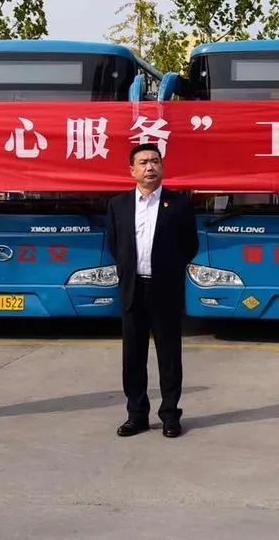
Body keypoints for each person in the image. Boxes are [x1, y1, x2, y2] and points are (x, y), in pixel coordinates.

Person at [107, 143, 198, 439]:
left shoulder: (179, 204)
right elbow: (115, 245)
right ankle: (137, 415)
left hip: (165, 290)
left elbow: (190, 245)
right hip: (133, 289)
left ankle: (170, 415)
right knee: (133, 357)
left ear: (162, 167)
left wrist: (169, 269)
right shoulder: (118, 205)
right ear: (131, 170)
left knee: (169, 356)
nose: (150, 167)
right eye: (144, 162)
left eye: (155, 161)